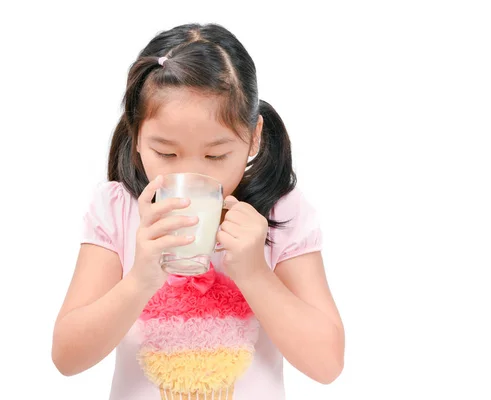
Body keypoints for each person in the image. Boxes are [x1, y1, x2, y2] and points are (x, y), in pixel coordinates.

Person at [51, 23, 344, 400]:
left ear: (254, 136)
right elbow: (66, 357)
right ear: (136, 134)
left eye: (216, 155)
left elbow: (327, 364)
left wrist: (255, 273)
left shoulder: (279, 212)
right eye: (167, 154)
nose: (190, 173)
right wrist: (139, 279)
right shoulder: (117, 209)